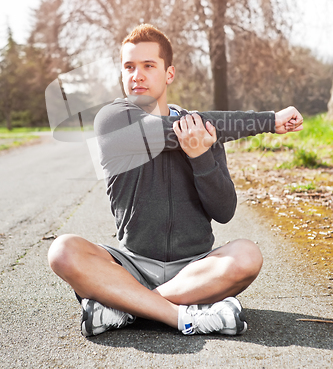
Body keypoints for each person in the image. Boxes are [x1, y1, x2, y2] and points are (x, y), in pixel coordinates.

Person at [48, 24, 303, 337]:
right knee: (62, 250)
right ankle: (183, 316)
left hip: (196, 269)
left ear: (169, 74)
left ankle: (125, 305)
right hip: (133, 265)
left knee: (248, 255)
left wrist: (201, 158)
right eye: (129, 67)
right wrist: (269, 121)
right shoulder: (112, 121)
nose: (136, 76)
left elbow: (224, 212)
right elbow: (173, 130)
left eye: (148, 66)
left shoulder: (205, 132)